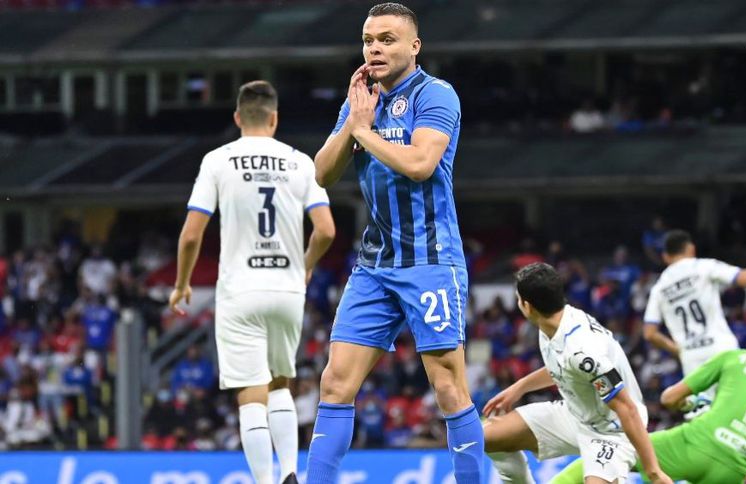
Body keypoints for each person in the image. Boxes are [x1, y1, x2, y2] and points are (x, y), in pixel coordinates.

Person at [308, 3, 483, 483]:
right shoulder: (361, 101)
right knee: (335, 382)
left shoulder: (436, 94)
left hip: (431, 260)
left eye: (387, 40)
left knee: (448, 388)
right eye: (369, 40)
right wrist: (353, 121)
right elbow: (321, 174)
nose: (375, 49)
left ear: (414, 46)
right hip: (374, 263)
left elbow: (421, 165)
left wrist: (364, 130)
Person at [169, 80, 335, 484]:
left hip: (240, 290)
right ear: (274, 118)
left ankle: (265, 481)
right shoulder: (300, 162)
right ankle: (291, 471)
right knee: (280, 383)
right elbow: (326, 230)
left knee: (250, 395)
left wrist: (182, 283)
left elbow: (191, 235)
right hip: (287, 289)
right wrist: (305, 264)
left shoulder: (218, 161)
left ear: (237, 118)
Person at [481, 263, 671, 484]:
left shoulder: (582, 350)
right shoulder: (554, 323)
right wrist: (519, 388)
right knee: (487, 437)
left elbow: (626, 408)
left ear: (527, 306)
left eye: (518, 299)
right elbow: (565, 368)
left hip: (611, 430)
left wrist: (653, 471)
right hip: (574, 413)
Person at [554, 324, 746, 484]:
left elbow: (669, 398)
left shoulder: (735, 358)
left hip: (695, 442)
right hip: (733, 469)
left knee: (608, 454)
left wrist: (690, 403)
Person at [643, 229, 746, 412]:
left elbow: (649, 333)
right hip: (721, 348)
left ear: (665, 256)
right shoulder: (704, 267)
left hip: (691, 356)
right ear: (691, 248)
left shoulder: (659, 287)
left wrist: (677, 349)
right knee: (738, 409)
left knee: (704, 415)